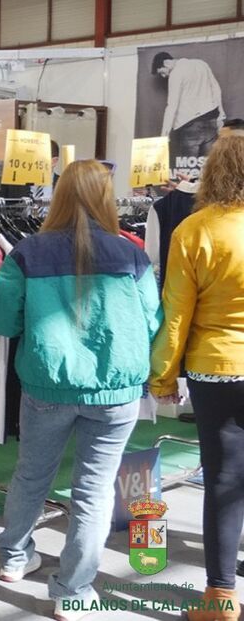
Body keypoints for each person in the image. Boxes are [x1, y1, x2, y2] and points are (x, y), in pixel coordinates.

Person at [0, 160, 160, 621]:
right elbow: (152, 321)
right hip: (116, 390)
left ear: (58, 196)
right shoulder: (133, 256)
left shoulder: (26, 252)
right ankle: (73, 589)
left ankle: (15, 557)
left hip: (48, 383)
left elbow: (2, 320)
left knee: (31, 475)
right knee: (95, 490)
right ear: (107, 198)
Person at [150, 134, 244, 621]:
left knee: (225, 481)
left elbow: (175, 316)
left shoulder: (193, 230)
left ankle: (221, 599)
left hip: (217, 369)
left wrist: (163, 377)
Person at [152, 52, 225, 165]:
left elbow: (172, 105)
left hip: (189, 125)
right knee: (209, 167)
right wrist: (221, 115)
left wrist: (164, 134)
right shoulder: (202, 64)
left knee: (188, 169)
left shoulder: (175, 74)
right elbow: (216, 89)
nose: (163, 76)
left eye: (162, 72)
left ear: (166, 63)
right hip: (211, 120)